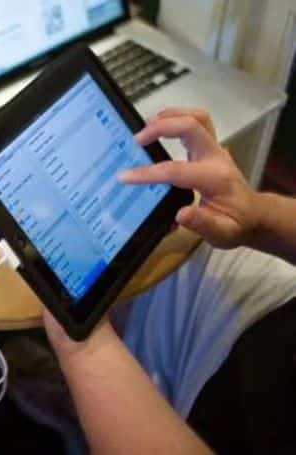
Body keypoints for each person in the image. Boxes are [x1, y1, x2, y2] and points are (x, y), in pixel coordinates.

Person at [36, 108, 296, 453]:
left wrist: (82, 343)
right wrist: (259, 217)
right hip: (277, 308)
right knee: (152, 236)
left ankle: (67, 405)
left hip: (226, 417)